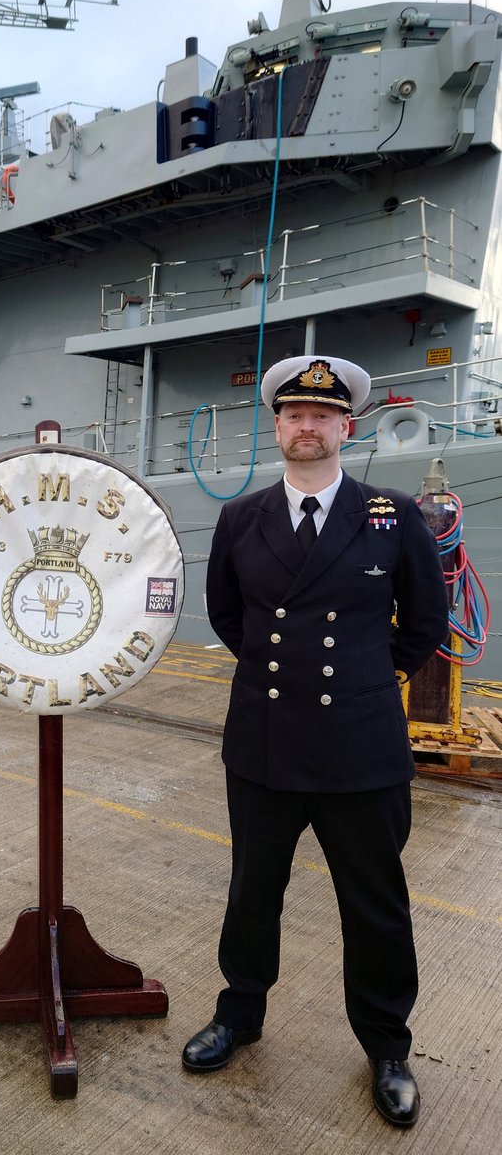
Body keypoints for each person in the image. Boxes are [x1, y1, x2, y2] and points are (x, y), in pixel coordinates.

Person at [183, 355, 448, 1128]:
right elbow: (230, 620)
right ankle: (239, 1015)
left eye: (322, 415)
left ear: (346, 427)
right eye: (293, 414)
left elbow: (424, 625)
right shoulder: (242, 518)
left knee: (375, 906)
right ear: (277, 426)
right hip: (266, 741)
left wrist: (366, 680)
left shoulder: (391, 516)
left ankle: (388, 1047)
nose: (307, 426)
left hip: (361, 747)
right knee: (251, 894)